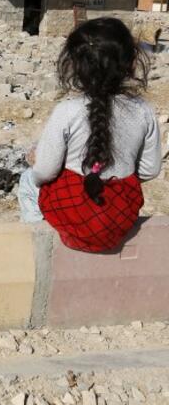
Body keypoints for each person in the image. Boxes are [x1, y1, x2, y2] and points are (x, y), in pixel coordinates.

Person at [18, 17, 162, 252]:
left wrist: (38, 166)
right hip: (119, 214)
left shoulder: (67, 110)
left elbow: (45, 171)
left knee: (27, 180)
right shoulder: (143, 111)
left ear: (75, 65)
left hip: (74, 211)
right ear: (131, 62)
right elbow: (150, 170)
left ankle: (41, 245)